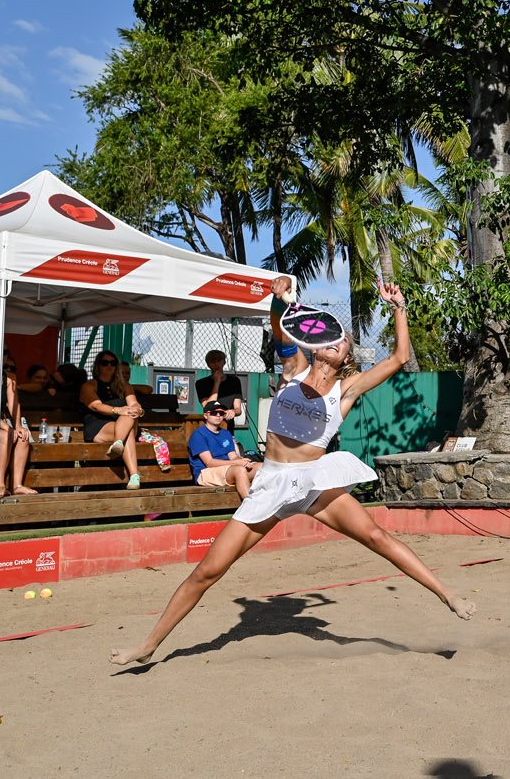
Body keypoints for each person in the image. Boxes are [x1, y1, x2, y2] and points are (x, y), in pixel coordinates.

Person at [109, 279, 475, 666]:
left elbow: (400, 357)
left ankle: (446, 595)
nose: (336, 341)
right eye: (331, 337)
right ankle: (147, 645)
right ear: (317, 346)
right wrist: (279, 298)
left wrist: (399, 305)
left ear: (346, 356)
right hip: (273, 482)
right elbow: (279, 326)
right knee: (208, 571)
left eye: (343, 341)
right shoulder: (294, 367)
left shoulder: (346, 390)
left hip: (314, 479)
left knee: (375, 536)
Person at [81, 350, 143, 489]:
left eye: (113, 363)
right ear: (98, 366)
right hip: (98, 425)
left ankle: (118, 444)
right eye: (105, 363)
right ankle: (134, 475)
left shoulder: (125, 386)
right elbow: (95, 405)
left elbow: (133, 402)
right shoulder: (89, 386)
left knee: (128, 417)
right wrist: (118, 410)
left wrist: (136, 409)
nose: (109, 366)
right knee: (127, 433)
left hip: (122, 424)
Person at [0, 346, 35, 496]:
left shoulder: (9, 378)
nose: (0, 354)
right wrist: (8, 428)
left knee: (23, 436)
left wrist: (18, 426)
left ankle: (17, 485)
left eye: (4, 352)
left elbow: (13, 404)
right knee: (4, 435)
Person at [188, 402, 261, 498]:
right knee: (239, 470)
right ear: (206, 415)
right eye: (214, 413)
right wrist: (237, 464)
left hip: (228, 469)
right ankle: (251, 508)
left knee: (262, 467)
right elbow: (209, 463)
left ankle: (270, 506)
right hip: (206, 473)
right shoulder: (198, 435)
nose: (218, 415)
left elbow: (233, 456)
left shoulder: (226, 433)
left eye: (221, 413)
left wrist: (241, 461)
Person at [195, 350, 244, 425]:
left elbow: (238, 409)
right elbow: (207, 407)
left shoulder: (234, 381)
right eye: (212, 361)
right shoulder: (201, 383)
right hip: (210, 425)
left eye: (219, 360)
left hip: (227, 424)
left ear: (224, 362)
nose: (216, 364)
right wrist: (217, 382)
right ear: (208, 364)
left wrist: (232, 411)